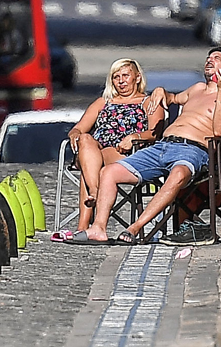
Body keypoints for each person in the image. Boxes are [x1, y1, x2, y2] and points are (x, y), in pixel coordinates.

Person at [68, 47, 221, 245]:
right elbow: (173, 99)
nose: (209, 61)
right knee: (109, 172)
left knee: (178, 174)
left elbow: (220, 131)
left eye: (216, 59)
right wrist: (162, 92)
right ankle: (98, 227)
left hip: (193, 150)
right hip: (163, 146)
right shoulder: (196, 89)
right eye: (208, 58)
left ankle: (135, 227)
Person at [66, 59, 164, 231]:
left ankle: (83, 226)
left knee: (88, 165)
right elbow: (79, 128)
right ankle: (96, 191)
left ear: (138, 78)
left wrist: (134, 136)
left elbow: (155, 132)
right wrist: (74, 134)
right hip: (95, 150)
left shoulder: (148, 102)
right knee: (85, 140)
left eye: (125, 75)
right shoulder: (104, 102)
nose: (121, 81)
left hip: (127, 153)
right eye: (116, 77)